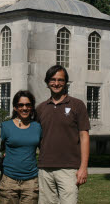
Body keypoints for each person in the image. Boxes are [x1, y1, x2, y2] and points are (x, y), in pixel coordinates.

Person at [36, 65, 90, 204]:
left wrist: (83, 167)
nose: (56, 83)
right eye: (53, 80)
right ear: (47, 82)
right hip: (44, 169)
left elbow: (84, 137)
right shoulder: (41, 108)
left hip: (69, 168)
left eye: (60, 80)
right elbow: (33, 138)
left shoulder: (77, 105)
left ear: (66, 82)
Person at [0, 90, 42, 204]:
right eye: (21, 105)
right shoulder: (5, 126)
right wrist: (2, 155)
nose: (24, 108)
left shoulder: (37, 127)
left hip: (31, 181)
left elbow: (45, 149)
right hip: (9, 180)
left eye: (28, 105)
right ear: (15, 107)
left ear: (32, 107)